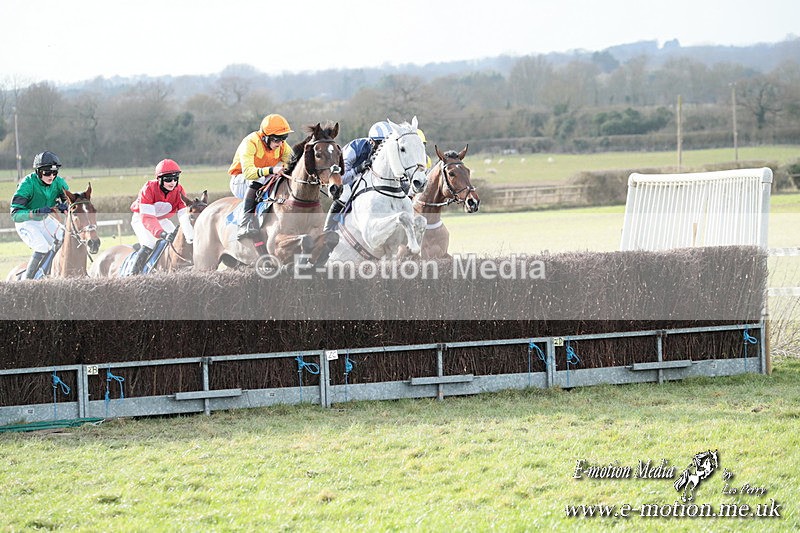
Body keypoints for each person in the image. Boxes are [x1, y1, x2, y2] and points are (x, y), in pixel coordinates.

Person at [228, 113, 294, 239]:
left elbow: (292, 163)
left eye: (283, 138)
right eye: (276, 139)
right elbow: (248, 173)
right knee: (260, 177)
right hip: (241, 180)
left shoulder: (282, 146)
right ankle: (244, 223)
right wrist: (272, 169)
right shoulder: (250, 142)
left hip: (264, 178)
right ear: (265, 137)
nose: (280, 143)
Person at [128, 159, 195, 275]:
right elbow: (148, 218)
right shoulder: (148, 189)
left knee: (176, 241)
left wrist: (190, 235)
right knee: (149, 243)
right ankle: (133, 275)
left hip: (162, 220)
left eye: (175, 179)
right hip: (141, 219)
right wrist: (162, 233)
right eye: (168, 179)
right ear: (159, 179)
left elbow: (183, 215)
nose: (173, 182)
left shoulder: (179, 190)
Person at [323, 120, 392, 232]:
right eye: (380, 143)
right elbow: (342, 178)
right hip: (344, 180)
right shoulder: (354, 149)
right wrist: (358, 169)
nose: (383, 147)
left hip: (369, 181)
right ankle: (328, 230)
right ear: (371, 141)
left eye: (386, 143)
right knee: (345, 196)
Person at [10, 151, 70, 279]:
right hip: (26, 222)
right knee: (42, 247)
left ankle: (50, 272)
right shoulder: (27, 184)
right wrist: (35, 212)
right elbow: (15, 214)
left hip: (44, 220)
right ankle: (28, 281)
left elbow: (69, 200)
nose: (52, 176)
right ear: (38, 171)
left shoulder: (59, 182)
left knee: (65, 238)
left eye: (55, 172)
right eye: (47, 172)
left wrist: (66, 206)